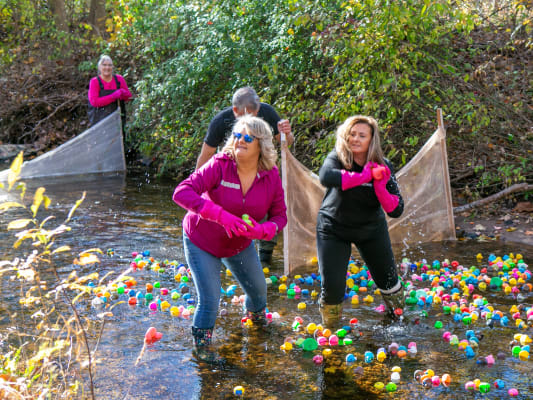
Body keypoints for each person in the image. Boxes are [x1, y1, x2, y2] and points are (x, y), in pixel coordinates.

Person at [173, 115, 287, 362]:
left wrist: (260, 231)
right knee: (210, 299)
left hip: (239, 245)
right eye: (237, 135)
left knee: (258, 294)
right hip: (201, 241)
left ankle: (257, 333)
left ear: (262, 145)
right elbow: (181, 193)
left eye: (247, 137)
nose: (240, 141)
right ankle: (202, 351)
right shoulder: (219, 164)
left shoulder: (271, 176)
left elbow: (280, 217)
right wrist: (221, 216)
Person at [316, 115, 404, 327]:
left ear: (371, 140)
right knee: (333, 289)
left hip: (370, 230)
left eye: (361, 135)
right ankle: (331, 331)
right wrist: (364, 177)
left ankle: (397, 321)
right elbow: (325, 177)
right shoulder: (337, 159)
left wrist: (380, 187)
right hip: (333, 230)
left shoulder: (384, 166)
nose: (355, 139)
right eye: (352, 134)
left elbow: (397, 210)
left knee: (389, 282)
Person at [195, 86, 293, 264]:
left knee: (266, 215)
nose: (251, 121)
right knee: (228, 219)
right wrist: (198, 187)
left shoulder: (268, 113)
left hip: (262, 175)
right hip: (230, 178)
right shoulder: (221, 121)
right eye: (245, 117)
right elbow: (206, 155)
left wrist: (287, 133)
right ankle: (224, 254)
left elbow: (287, 144)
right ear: (235, 111)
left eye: (254, 116)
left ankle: (265, 258)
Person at [88, 55, 132, 133]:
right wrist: (112, 97)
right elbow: (94, 102)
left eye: (109, 65)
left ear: (112, 67)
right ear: (99, 67)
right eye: (104, 65)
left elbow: (128, 98)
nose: (107, 67)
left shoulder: (119, 79)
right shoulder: (94, 82)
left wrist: (123, 94)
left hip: (118, 121)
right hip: (100, 121)